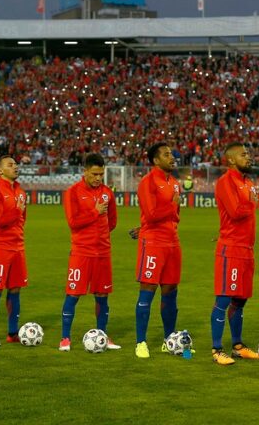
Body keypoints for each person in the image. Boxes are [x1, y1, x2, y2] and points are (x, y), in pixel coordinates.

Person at [59, 153, 121, 351]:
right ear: (84, 171)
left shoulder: (107, 193)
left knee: (102, 295)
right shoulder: (72, 192)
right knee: (73, 294)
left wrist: (99, 235)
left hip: (103, 253)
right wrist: (94, 212)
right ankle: (65, 338)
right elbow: (73, 223)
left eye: (101, 174)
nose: (98, 178)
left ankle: (102, 335)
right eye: (94, 174)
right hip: (81, 252)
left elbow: (112, 221)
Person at [210, 143, 259, 365]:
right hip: (230, 250)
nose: (248, 157)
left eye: (248, 153)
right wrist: (252, 202)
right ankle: (217, 349)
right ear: (231, 160)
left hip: (247, 250)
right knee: (223, 299)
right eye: (243, 154)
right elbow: (236, 211)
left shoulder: (247, 182)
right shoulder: (225, 181)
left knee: (240, 300)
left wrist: (250, 202)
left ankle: (238, 346)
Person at [134, 143, 183, 359]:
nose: (171, 157)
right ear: (155, 160)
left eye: (171, 153)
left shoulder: (174, 183)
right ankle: (141, 343)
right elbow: (152, 213)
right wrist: (172, 206)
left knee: (170, 292)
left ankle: (168, 341)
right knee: (148, 290)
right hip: (153, 243)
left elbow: (175, 216)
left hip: (172, 242)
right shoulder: (148, 182)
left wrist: (173, 211)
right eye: (166, 154)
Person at [0, 156, 27, 347]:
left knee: (15, 289)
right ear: (0, 171)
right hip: (1, 247)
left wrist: (18, 213)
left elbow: (22, 220)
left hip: (18, 246)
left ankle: (12, 332)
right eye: (10, 165)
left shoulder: (20, 192)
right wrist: (17, 210)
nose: (15, 167)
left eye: (16, 164)